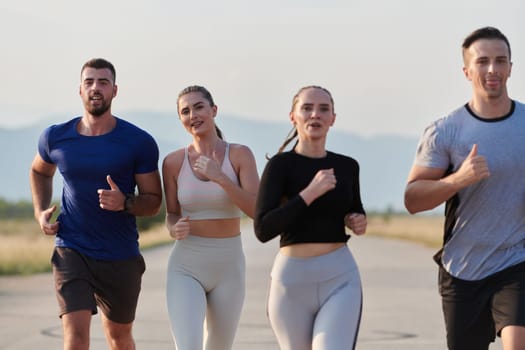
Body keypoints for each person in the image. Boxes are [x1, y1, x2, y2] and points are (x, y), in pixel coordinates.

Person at [29, 58, 163, 350]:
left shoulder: (138, 142)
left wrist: (125, 202)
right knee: (75, 338)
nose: (95, 88)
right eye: (89, 82)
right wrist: (40, 211)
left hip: (120, 254)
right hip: (71, 247)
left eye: (103, 82)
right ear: (79, 90)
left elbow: (154, 202)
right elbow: (40, 171)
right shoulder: (56, 137)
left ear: (115, 91)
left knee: (119, 339)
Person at [405, 26, 525, 350]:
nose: (492, 70)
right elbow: (412, 199)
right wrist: (458, 179)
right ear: (467, 70)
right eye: (483, 61)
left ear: (511, 68)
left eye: (501, 61)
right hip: (463, 267)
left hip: (517, 261)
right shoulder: (445, 131)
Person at [254, 85, 367, 349]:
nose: (315, 114)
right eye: (307, 108)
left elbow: (355, 208)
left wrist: (357, 219)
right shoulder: (280, 166)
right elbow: (263, 229)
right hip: (290, 283)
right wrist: (309, 194)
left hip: (340, 277)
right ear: (293, 116)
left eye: (323, 109)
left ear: (333, 119)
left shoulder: (347, 166)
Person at [163, 85, 259, 349]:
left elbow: (255, 210)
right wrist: (174, 229)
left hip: (229, 267)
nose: (192, 115)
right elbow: (171, 214)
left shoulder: (240, 155)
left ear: (214, 110)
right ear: (181, 119)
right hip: (186, 265)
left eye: (199, 107)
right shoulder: (173, 162)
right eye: (185, 111)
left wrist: (221, 178)